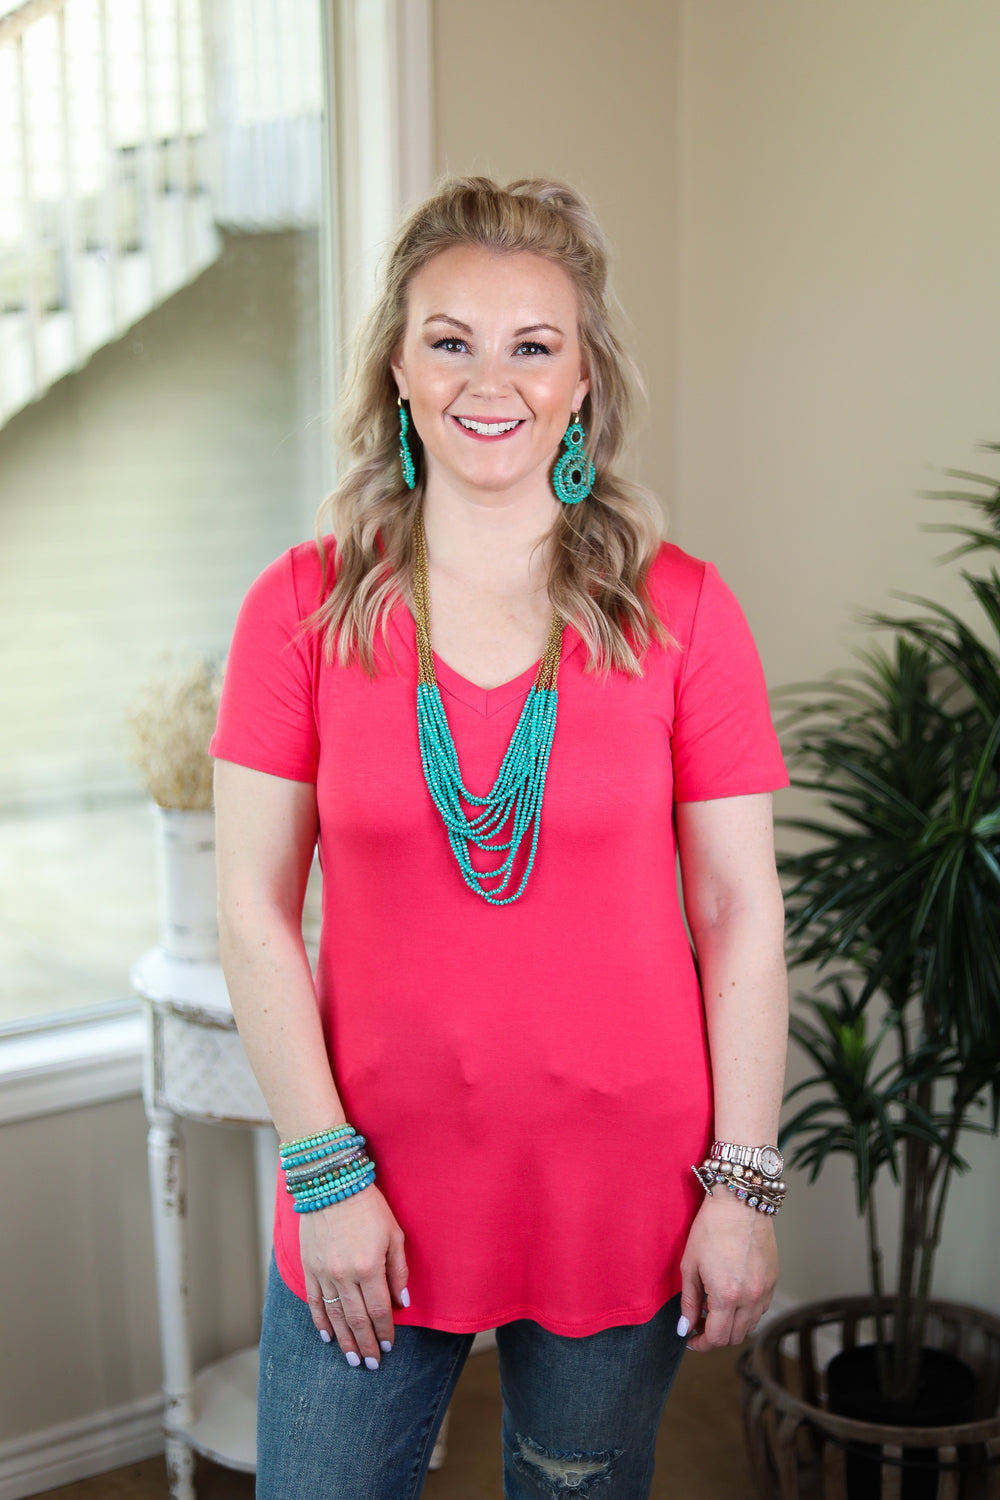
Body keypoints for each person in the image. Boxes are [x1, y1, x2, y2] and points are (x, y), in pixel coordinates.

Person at [210, 175, 789, 1500]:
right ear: (398, 372)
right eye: (449, 340)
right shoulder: (298, 610)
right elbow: (250, 908)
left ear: (583, 381)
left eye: (534, 344)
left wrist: (743, 1186)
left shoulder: (684, 613)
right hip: (363, 1183)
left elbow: (739, 913)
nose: (492, 381)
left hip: (622, 1189)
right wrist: (323, 1174)